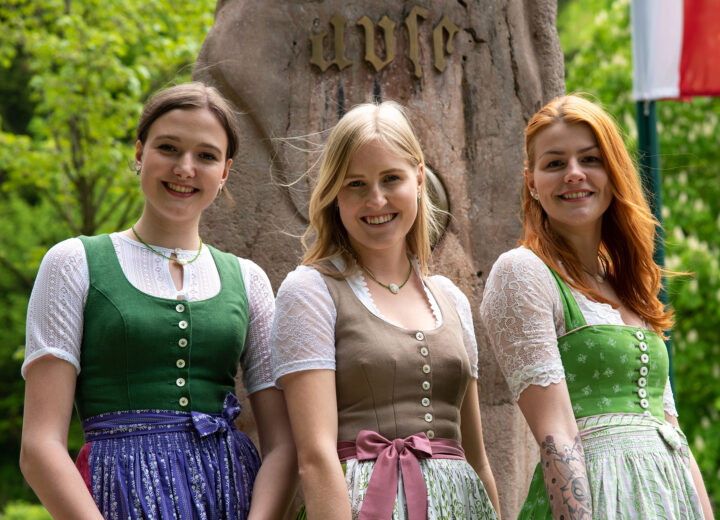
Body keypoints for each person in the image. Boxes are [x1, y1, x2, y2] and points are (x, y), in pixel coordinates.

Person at [19, 82, 297, 520]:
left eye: (206, 156)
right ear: (139, 153)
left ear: (225, 171)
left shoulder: (250, 281)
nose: (185, 167)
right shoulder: (74, 263)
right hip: (117, 499)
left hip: (231, 497)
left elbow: (283, 444)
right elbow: (39, 446)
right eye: (168, 148)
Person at [479, 94, 714, 519]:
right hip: (596, 499)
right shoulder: (524, 272)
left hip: (667, 499)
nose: (574, 174)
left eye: (590, 159)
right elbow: (556, 432)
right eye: (555, 164)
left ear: (613, 171)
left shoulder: (627, 282)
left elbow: (671, 431)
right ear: (531, 181)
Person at [271, 101, 501, 519]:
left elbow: (478, 459)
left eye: (390, 178)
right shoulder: (311, 291)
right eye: (355, 184)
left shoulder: (451, 299)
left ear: (417, 177)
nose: (375, 199)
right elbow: (316, 457)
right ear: (333, 195)